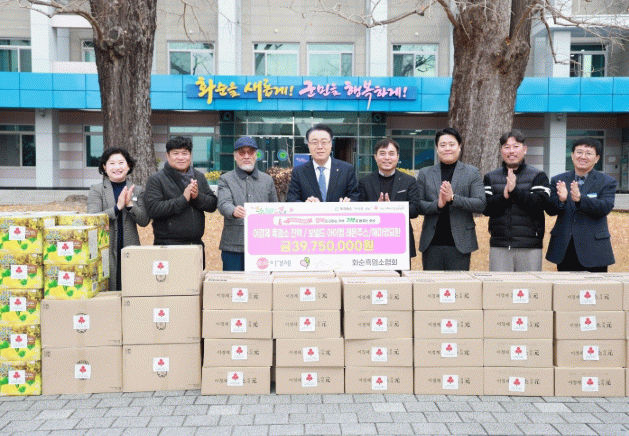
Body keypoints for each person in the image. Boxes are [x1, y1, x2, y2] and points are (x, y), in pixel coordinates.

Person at [416, 127, 486, 270]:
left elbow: (480, 204)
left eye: (451, 144)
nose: (447, 148)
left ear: (459, 147)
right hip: (431, 243)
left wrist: (453, 199)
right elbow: (418, 205)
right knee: (432, 284)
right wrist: (438, 204)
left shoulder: (472, 172)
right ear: (437, 148)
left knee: (458, 284)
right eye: (442, 145)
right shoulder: (425, 173)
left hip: (460, 243)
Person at [483, 130, 551, 271]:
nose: (511, 151)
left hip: (529, 245)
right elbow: (485, 208)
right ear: (501, 150)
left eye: (516, 146)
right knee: (499, 284)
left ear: (524, 149)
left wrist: (515, 191)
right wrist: (504, 196)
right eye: (507, 147)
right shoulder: (490, 177)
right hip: (500, 244)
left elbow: (540, 204)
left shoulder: (538, 176)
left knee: (529, 285)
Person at [144, 136, 217, 267]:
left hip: (195, 245)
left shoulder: (199, 176)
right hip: (167, 246)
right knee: (170, 281)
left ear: (190, 155)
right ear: (168, 155)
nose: (181, 157)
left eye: (185, 153)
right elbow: (153, 209)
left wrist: (197, 197)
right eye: (176, 153)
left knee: (195, 281)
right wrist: (183, 199)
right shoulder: (156, 179)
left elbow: (212, 204)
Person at [546, 138, 616, 272]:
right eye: (579, 152)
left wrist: (580, 199)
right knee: (566, 285)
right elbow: (550, 210)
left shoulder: (607, 181)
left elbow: (605, 207)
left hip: (594, 248)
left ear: (597, 158)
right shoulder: (558, 180)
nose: (583, 156)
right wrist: (561, 200)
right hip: (565, 246)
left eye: (588, 153)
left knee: (595, 285)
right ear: (572, 155)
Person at [88, 147, 150, 291]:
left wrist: (130, 206)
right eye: (112, 163)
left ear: (128, 166)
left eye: (121, 163)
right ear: (104, 166)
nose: (117, 167)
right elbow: (92, 218)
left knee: (131, 288)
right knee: (108, 289)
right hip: (105, 247)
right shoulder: (96, 189)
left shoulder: (137, 190)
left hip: (130, 246)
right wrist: (117, 208)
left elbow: (144, 221)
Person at [217, 136, 278, 271]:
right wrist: (233, 211)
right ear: (235, 156)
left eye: (250, 152)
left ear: (256, 155)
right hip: (233, 244)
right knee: (234, 283)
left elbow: (275, 208)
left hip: (262, 244)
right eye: (241, 152)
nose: (246, 156)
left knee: (260, 283)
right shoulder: (225, 179)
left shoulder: (267, 180)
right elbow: (223, 203)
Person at [358, 138, 420, 261]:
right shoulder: (364, 182)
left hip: (400, 241)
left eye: (391, 154)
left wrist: (393, 209)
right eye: (382, 153)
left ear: (397, 157)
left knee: (401, 274)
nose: (387, 158)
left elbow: (415, 209)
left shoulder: (409, 181)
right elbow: (359, 210)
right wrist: (376, 208)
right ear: (375, 157)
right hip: (372, 241)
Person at [286, 124, 359, 202]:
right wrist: (305, 205)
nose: (320, 147)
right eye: (314, 142)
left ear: (331, 144)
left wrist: (349, 203)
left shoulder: (347, 169)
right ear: (308, 145)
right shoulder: (299, 171)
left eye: (324, 142)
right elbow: (291, 199)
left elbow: (356, 197)